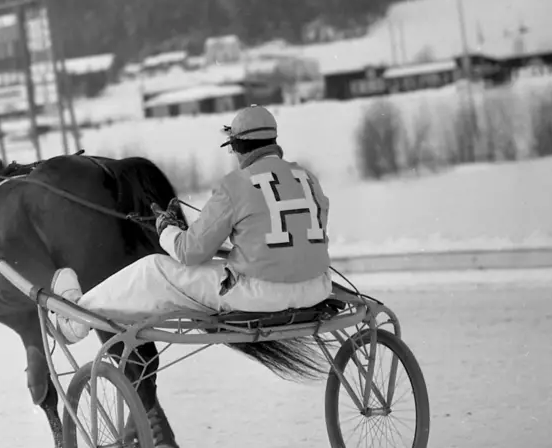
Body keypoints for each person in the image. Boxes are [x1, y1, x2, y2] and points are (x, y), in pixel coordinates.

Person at [49, 105, 338, 342]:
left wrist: (166, 230)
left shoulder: (235, 184)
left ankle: (77, 316)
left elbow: (189, 253)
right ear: (273, 142)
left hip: (260, 296)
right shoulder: (308, 177)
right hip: (316, 288)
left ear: (237, 147)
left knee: (153, 268)